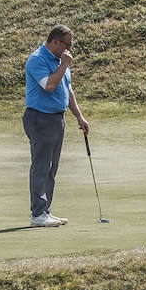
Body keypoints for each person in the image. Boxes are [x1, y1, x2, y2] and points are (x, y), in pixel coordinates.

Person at [23, 24, 89, 227]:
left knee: (52, 168)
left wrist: (79, 116)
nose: (68, 49)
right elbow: (49, 86)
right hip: (39, 118)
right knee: (41, 166)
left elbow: (66, 90)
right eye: (66, 44)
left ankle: (45, 211)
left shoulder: (61, 60)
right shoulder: (37, 59)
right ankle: (38, 215)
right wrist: (64, 65)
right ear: (54, 41)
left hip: (56, 119)